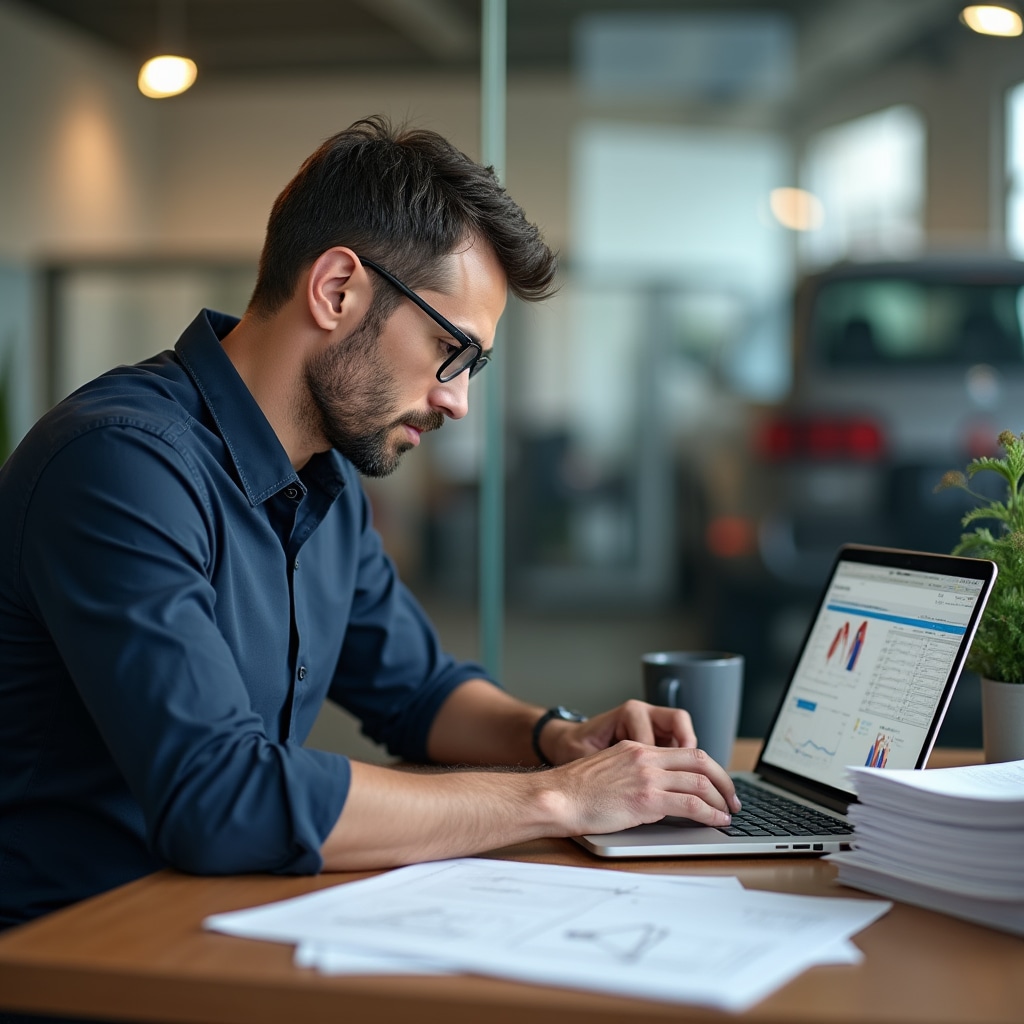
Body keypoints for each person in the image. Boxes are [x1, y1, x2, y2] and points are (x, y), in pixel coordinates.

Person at [0, 116, 739, 931]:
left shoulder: (323, 478)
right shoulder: (120, 465)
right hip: (72, 948)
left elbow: (417, 691)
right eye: (449, 349)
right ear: (336, 291)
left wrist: (558, 739)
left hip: (217, 919)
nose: (457, 400)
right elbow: (219, 794)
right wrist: (558, 798)